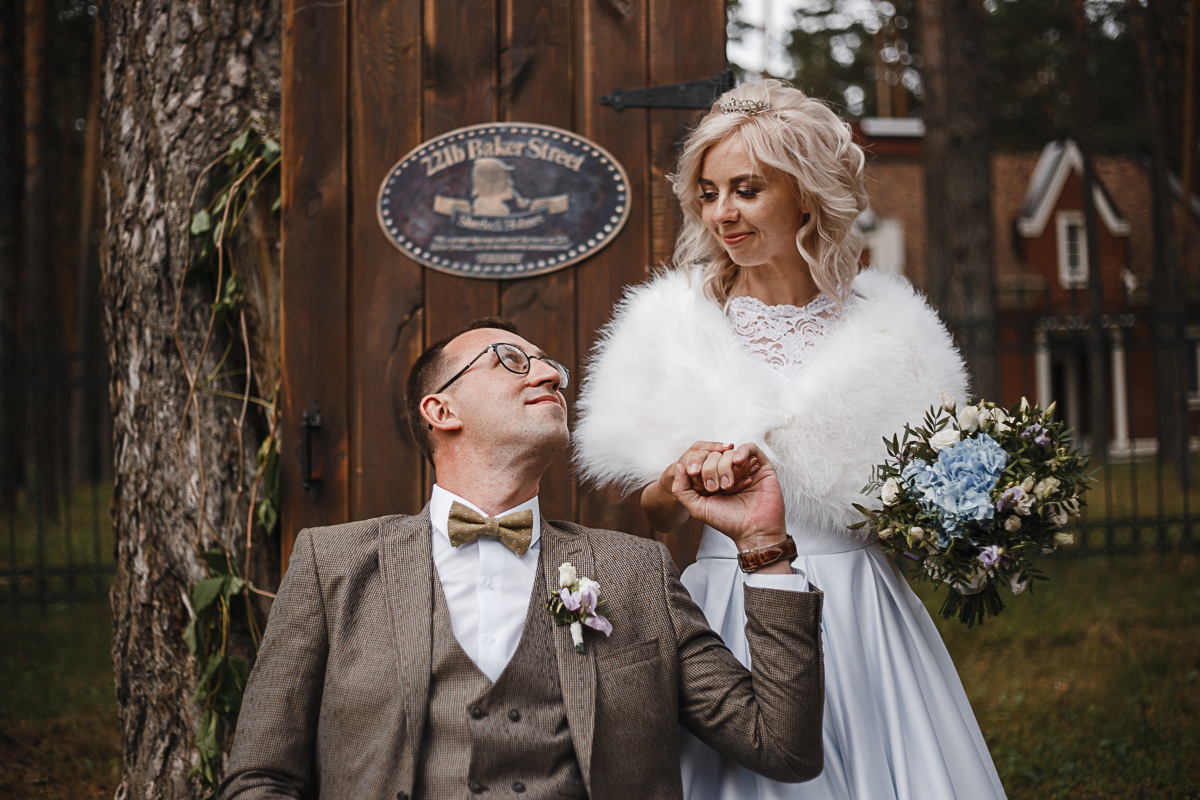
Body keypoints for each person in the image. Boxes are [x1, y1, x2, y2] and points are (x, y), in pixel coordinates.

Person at [573, 80, 1007, 800]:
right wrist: (680, 477)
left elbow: (914, 508)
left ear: (805, 195)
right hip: (729, 602)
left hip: (863, 608)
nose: (723, 213)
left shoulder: (892, 327)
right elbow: (656, 515)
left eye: (746, 190)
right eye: (708, 193)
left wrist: (962, 525)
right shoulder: (670, 326)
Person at [220, 317, 825, 800]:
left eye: (552, 365)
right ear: (441, 411)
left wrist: (763, 544)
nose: (551, 374)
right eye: (511, 359)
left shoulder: (635, 572)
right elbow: (261, 776)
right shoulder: (333, 564)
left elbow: (783, 747)